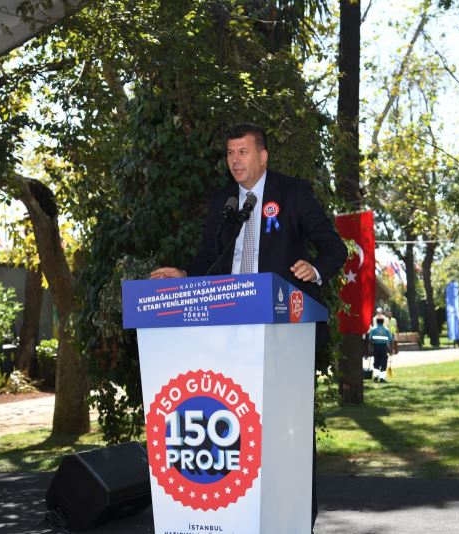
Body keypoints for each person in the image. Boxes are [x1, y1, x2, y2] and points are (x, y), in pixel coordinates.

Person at [151, 122, 347, 529]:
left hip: (285, 331)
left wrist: (316, 270)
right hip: (231, 335)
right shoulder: (224, 201)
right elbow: (212, 254)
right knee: (242, 424)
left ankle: (296, 516)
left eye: (242, 152)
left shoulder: (292, 193)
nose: (235, 161)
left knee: (288, 427)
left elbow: (334, 246)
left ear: (263, 156)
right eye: (230, 154)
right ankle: (241, 515)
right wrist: (186, 276)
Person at [369, 316, 393, 383]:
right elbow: (390, 340)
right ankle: (382, 378)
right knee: (383, 362)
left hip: (376, 347)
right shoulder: (386, 330)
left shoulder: (373, 329)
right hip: (383, 347)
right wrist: (390, 349)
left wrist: (370, 348)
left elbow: (370, 339)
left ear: (376, 322)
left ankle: (376, 378)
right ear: (383, 322)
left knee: (376, 362)